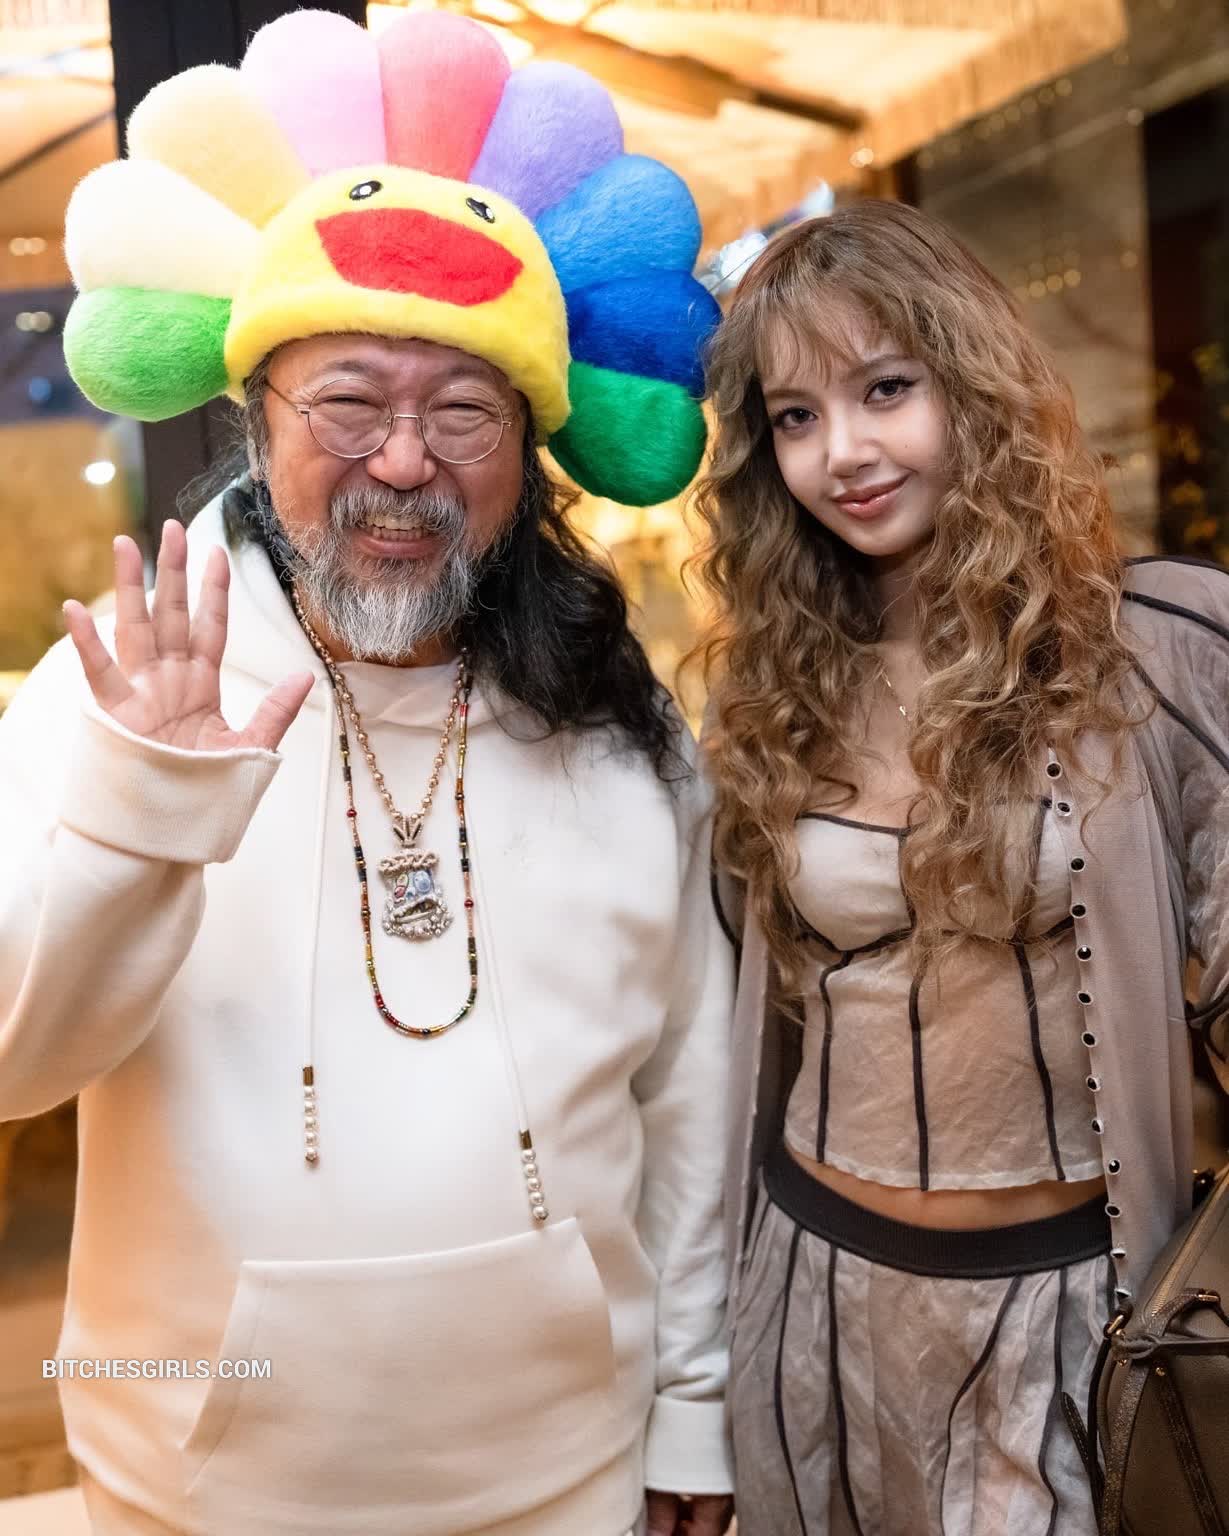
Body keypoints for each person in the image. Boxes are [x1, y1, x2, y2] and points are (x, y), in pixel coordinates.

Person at [0, 11, 734, 1535]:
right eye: (347, 400)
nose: (403, 461)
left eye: (462, 410)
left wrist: (690, 1406)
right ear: (256, 414)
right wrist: (143, 815)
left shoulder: (617, 718)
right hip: (203, 1493)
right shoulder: (125, 684)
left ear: (527, 451)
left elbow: (689, 1083)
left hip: (572, 1476)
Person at [693, 199, 1229, 1535]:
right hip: (811, 1298)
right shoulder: (769, 694)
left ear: (976, 386)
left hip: (1078, 1315)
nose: (844, 453)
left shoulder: (1160, 646)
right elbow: (723, 1029)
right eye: (796, 416)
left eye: (886, 389)